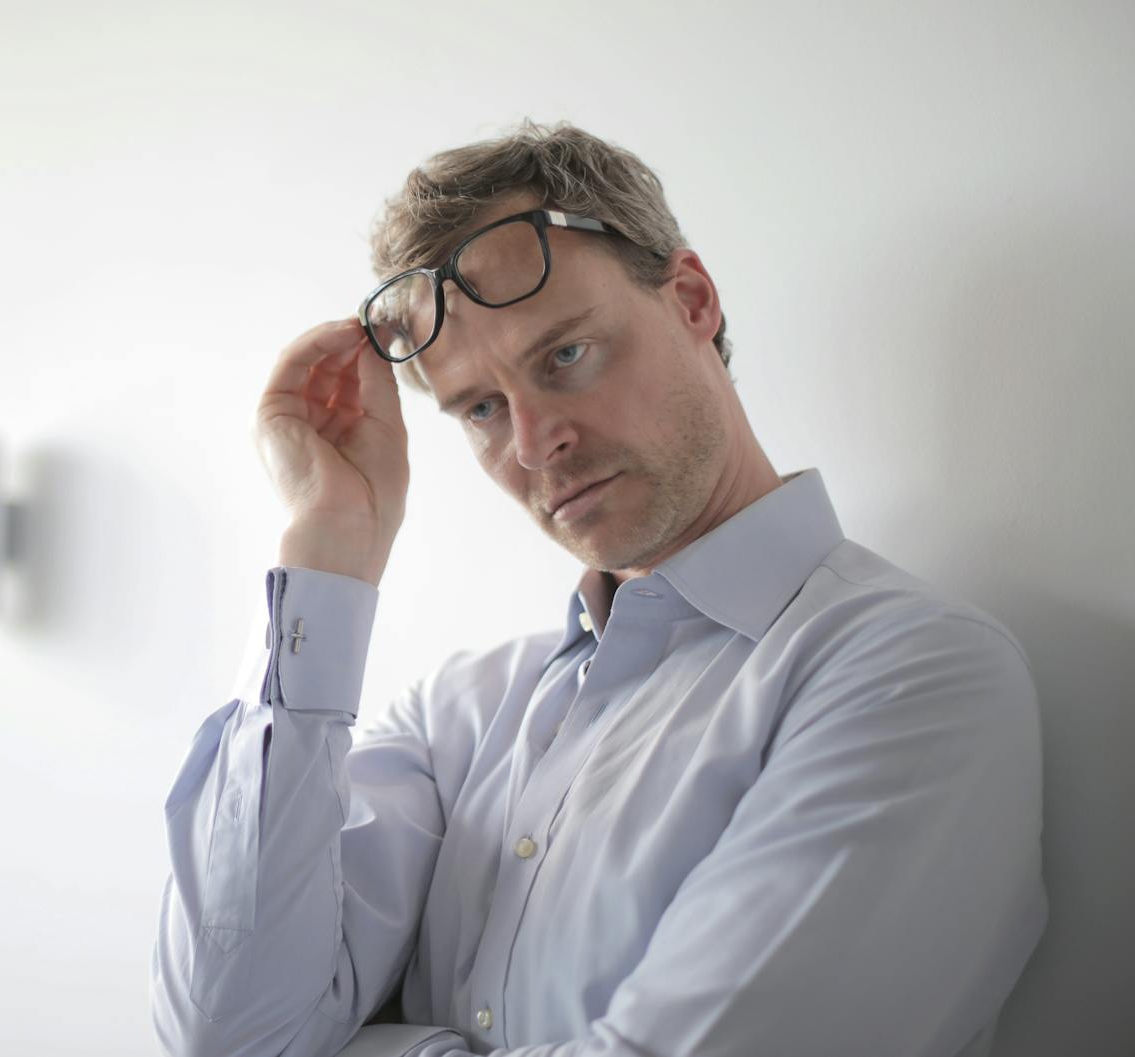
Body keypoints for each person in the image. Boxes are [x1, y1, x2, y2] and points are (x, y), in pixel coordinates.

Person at [150, 121, 1047, 1057]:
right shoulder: (458, 718)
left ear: (692, 299)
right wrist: (330, 549)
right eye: (483, 409)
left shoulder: (910, 672)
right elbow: (229, 1034)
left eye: (565, 356)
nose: (535, 445)